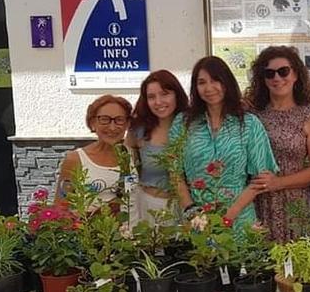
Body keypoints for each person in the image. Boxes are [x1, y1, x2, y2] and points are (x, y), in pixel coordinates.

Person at [169, 56, 278, 229]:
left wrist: (229, 216)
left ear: (226, 82)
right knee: (198, 256)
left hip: (239, 218)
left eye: (215, 80)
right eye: (202, 82)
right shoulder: (183, 123)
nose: (209, 88)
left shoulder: (249, 124)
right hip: (196, 220)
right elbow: (174, 173)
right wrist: (192, 211)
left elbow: (261, 178)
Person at [246, 46, 310, 242]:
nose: (277, 78)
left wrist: (278, 183)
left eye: (284, 71)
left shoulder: (309, 115)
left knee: (295, 264)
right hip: (259, 200)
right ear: (262, 79)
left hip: (294, 202)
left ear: (296, 74)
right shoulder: (254, 114)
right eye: (269, 73)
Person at [126, 70, 189, 223]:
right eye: (151, 97)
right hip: (149, 208)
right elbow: (127, 170)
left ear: (177, 94)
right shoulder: (138, 130)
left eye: (165, 94)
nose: (158, 102)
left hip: (188, 209)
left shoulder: (192, 126)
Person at [57, 95, 133, 210]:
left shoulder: (134, 156)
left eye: (119, 120)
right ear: (92, 122)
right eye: (104, 119)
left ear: (127, 124)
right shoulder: (75, 159)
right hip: (91, 226)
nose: (112, 127)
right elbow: (60, 205)